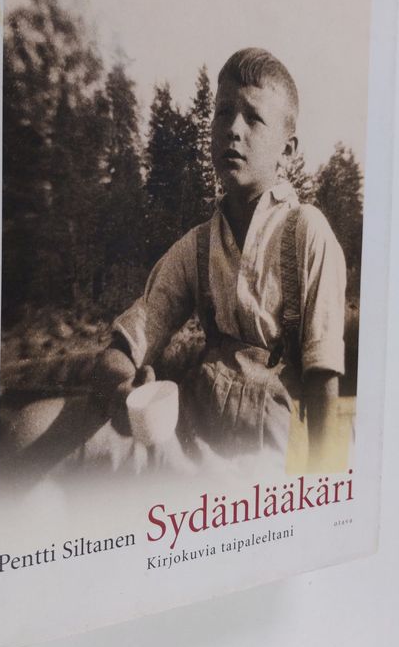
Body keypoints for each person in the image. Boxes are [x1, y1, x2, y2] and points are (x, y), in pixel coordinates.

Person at [92, 48, 346, 472]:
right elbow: (124, 347)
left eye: (254, 118)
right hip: (192, 432)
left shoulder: (307, 232)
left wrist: (322, 488)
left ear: (287, 150)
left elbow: (323, 383)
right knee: (32, 429)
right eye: (223, 113)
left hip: (267, 455)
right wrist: (122, 388)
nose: (233, 129)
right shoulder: (197, 247)